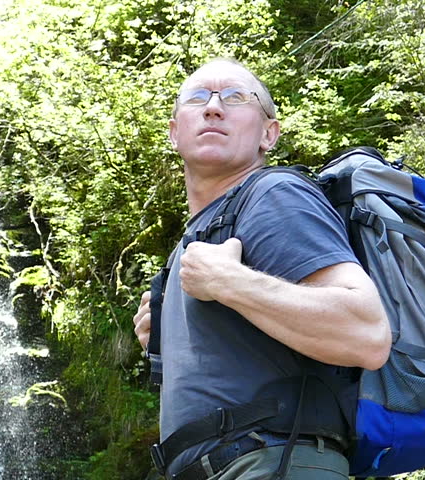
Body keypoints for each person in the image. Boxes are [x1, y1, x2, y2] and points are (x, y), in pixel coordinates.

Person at [132, 58, 391, 480]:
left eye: (235, 97)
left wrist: (230, 282)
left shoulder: (274, 193)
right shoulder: (198, 235)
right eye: (197, 98)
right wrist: (166, 340)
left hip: (274, 463)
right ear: (174, 132)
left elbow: (366, 334)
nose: (213, 107)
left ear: (269, 134)